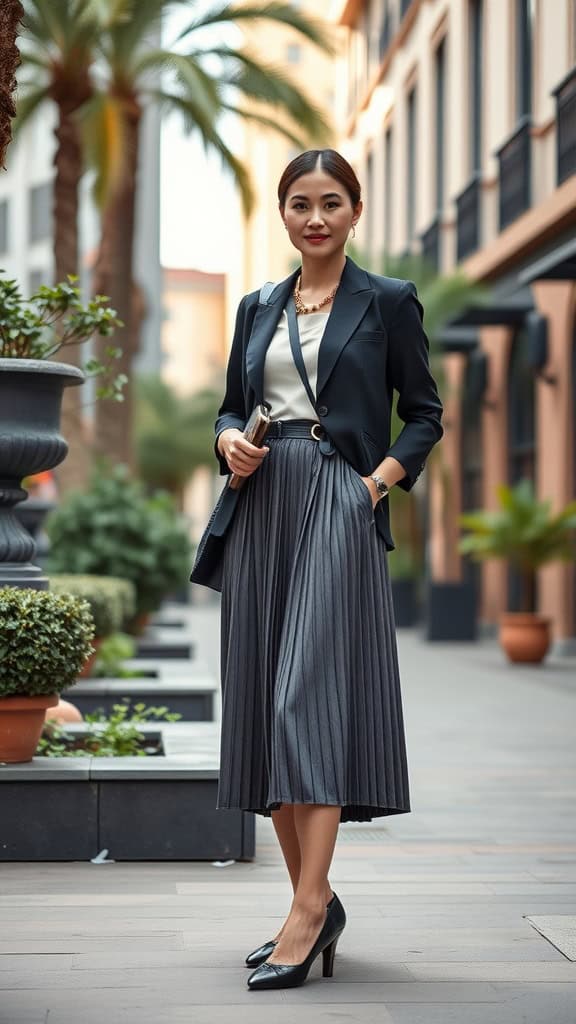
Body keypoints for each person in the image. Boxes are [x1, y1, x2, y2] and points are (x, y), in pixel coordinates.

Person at [190, 149, 443, 991]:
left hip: (339, 498)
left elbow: (426, 415)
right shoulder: (259, 305)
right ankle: (313, 899)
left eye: (331, 203)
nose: (316, 218)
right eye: (301, 203)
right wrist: (228, 439)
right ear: (284, 213)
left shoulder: (388, 302)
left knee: (307, 693)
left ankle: (305, 914)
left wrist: (374, 485)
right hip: (262, 504)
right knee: (267, 694)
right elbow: (232, 401)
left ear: (354, 211)